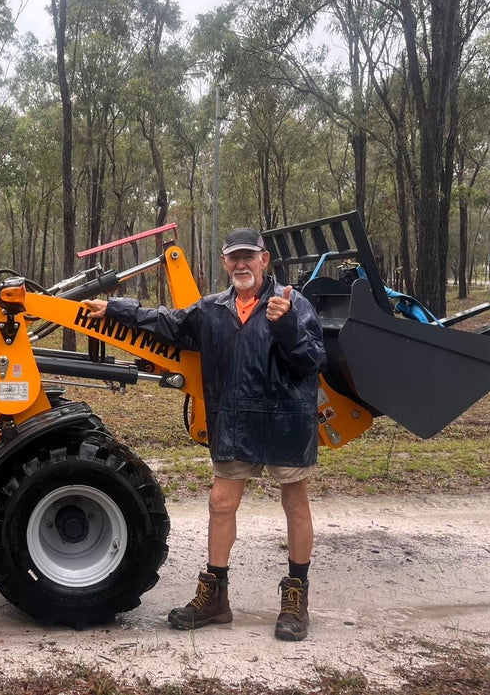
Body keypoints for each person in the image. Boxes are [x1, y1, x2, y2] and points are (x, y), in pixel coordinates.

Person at [81, 226, 326, 641]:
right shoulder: (212, 309)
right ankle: (215, 597)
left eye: (249, 256)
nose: (242, 264)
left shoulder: (291, 302)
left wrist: (286, 327)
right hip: (234, 421)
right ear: (225, 262)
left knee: (295, 504)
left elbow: (311, 362)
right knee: (220, 503)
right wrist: (115, 309)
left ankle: (296, 597)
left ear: (264, 260)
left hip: (285, 420)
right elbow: (166, 321)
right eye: (234, 257)